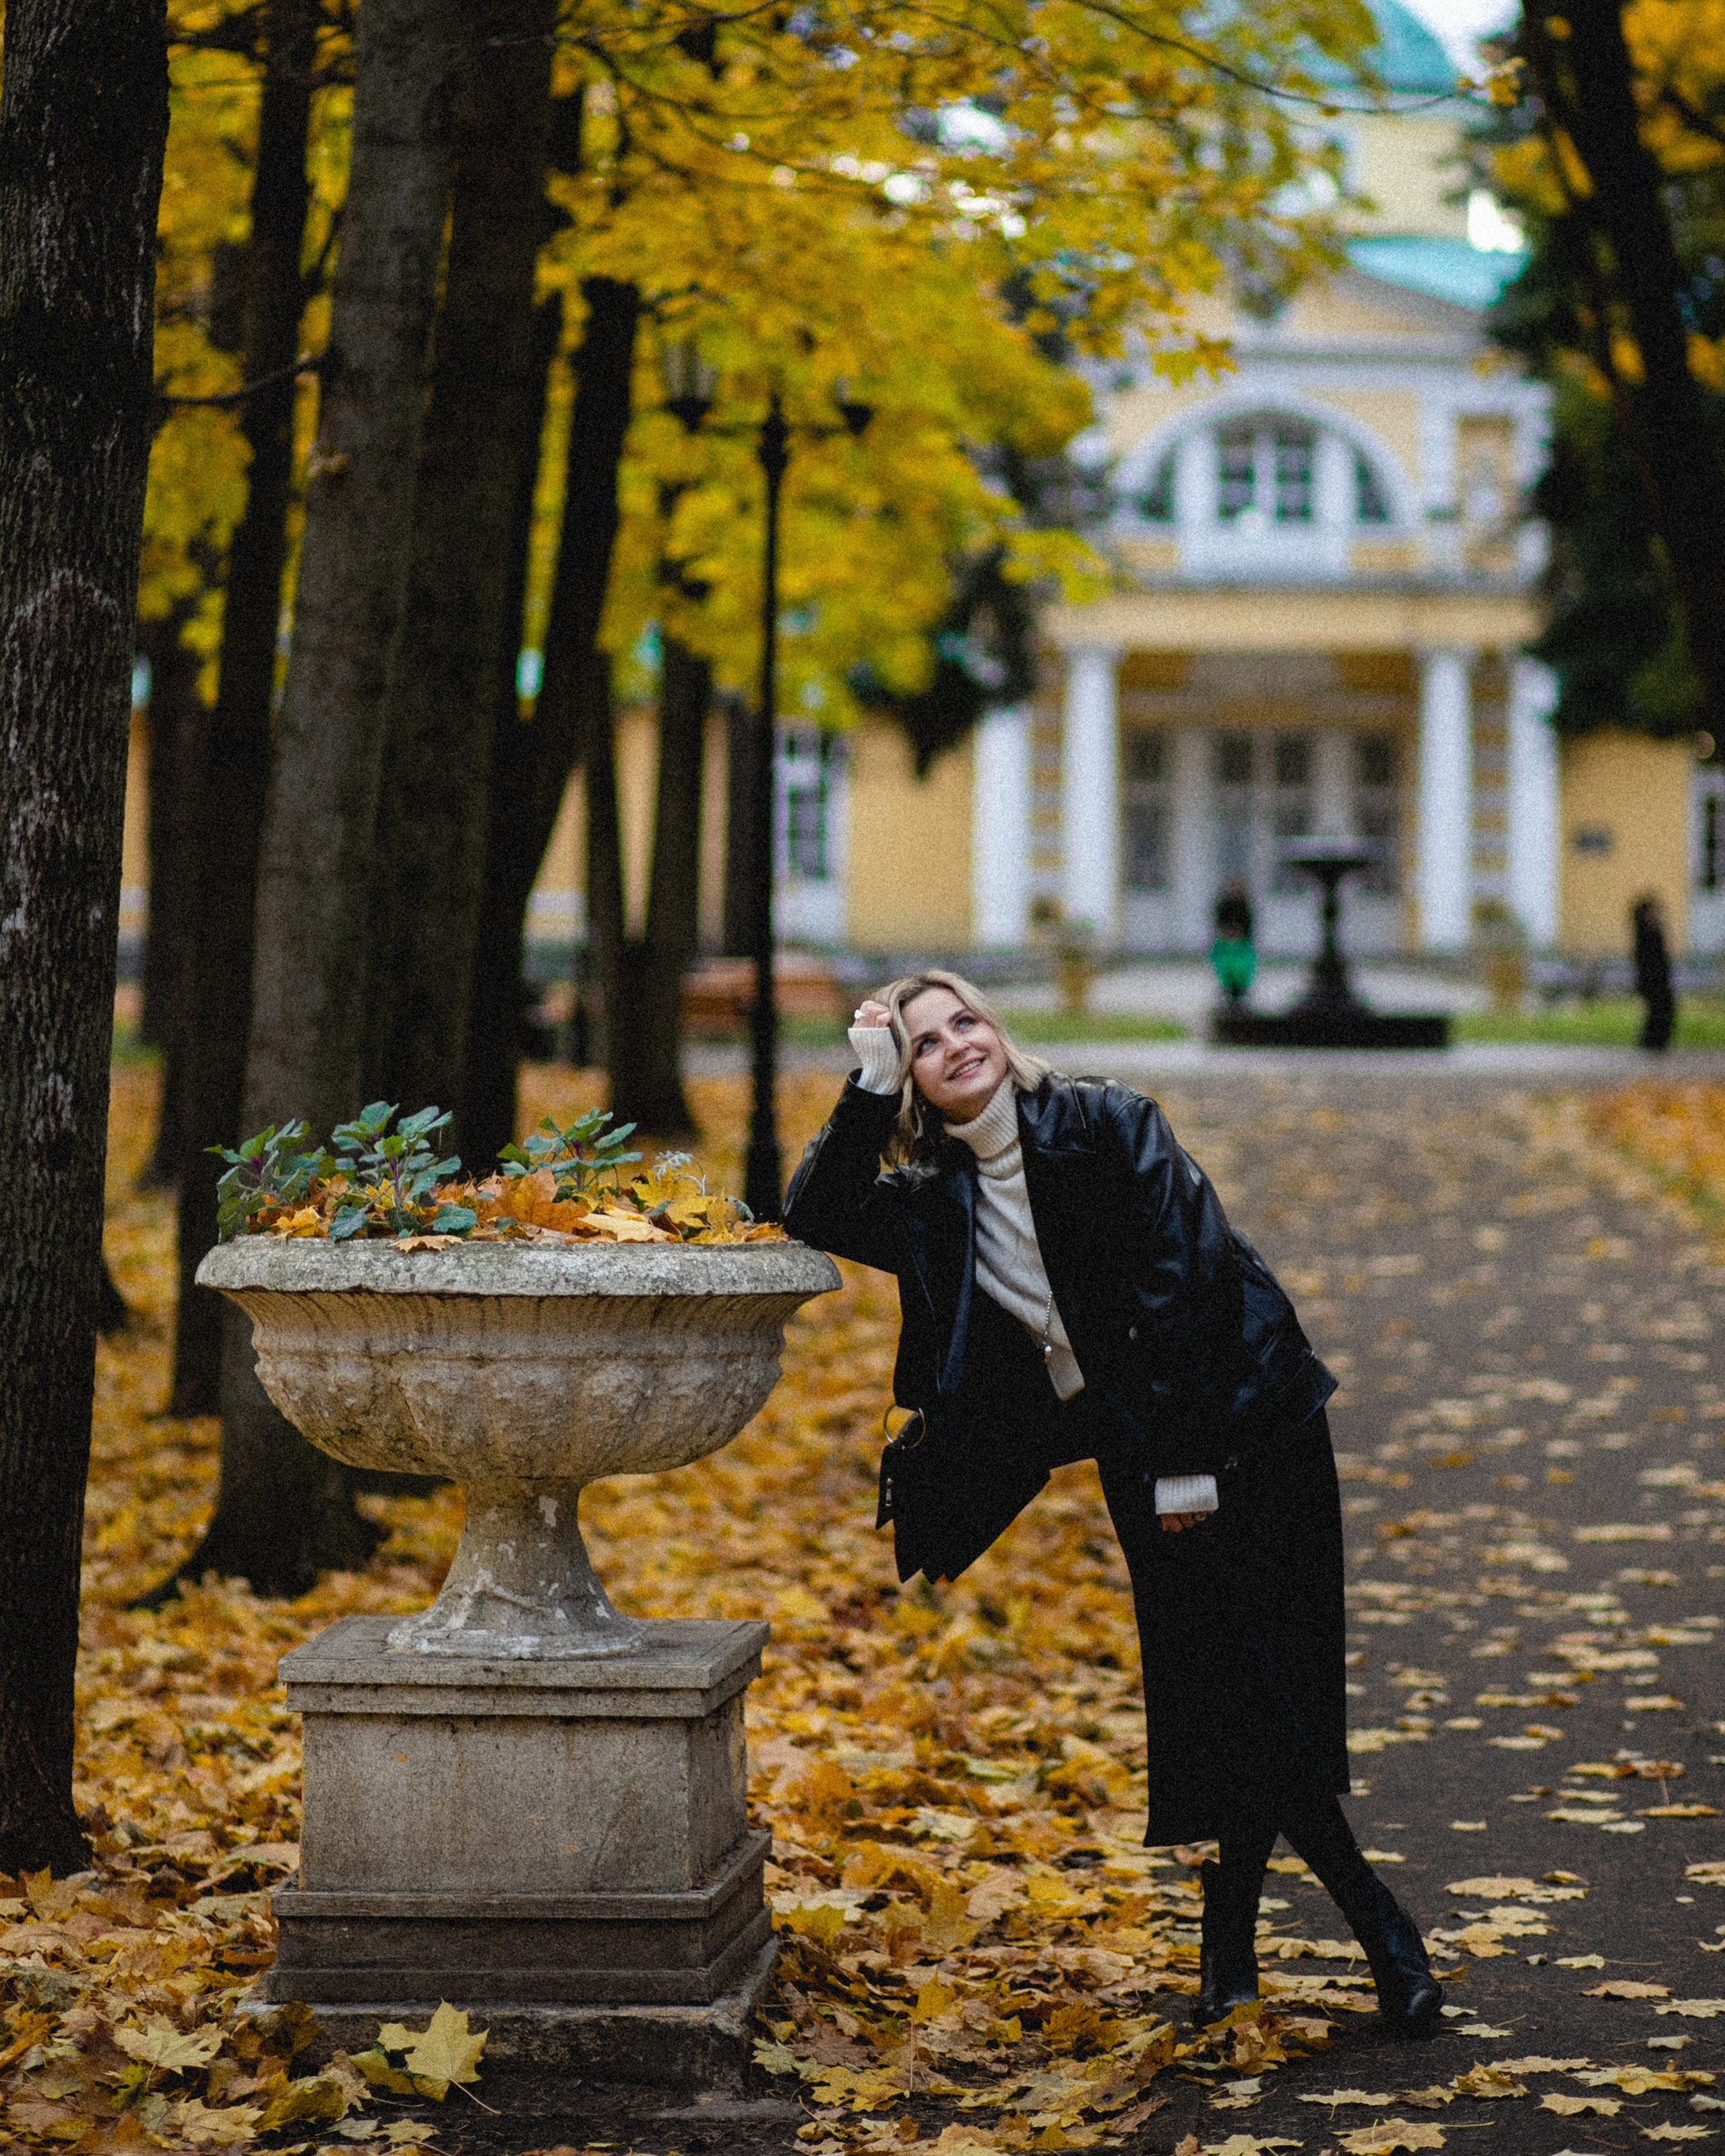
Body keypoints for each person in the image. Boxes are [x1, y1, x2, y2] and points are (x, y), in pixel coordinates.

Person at [784, 970, 1442, 2038]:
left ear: (997, 1028)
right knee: (1215, 1694)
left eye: (966, 1020)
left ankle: (1312, 1946)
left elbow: (1186, 1291)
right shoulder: (937, 1196)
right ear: (910, 1080)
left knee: (1266, 1687)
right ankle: (1300, 1947)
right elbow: (812, 1211)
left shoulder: (1111, 1122)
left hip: (1250, 1424)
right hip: (1144, 1450)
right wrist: (862, 1088)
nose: (956, 1045)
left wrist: (1185, 1471)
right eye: (923, 1045)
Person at [1632, 893, 1676, 1052]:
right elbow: (1647, 961)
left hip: (1659, 980)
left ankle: (1656, 1043)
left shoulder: (1653, 932)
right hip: (1652, 981)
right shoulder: (1646, 935)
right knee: (1659, 1011)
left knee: (1662, 1011)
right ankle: (1653, 1043)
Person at [1210, 880, 1256, 1005]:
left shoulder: (1244, 907)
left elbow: (1249, 927)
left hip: (1241, 944)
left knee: (1242, 967)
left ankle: (1240, 989)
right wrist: (1227, 934)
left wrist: (1239, 934)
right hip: (1226, 943)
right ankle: (1228, 988)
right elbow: (1219, 924)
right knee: (1226, 966)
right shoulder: (1223, 906)